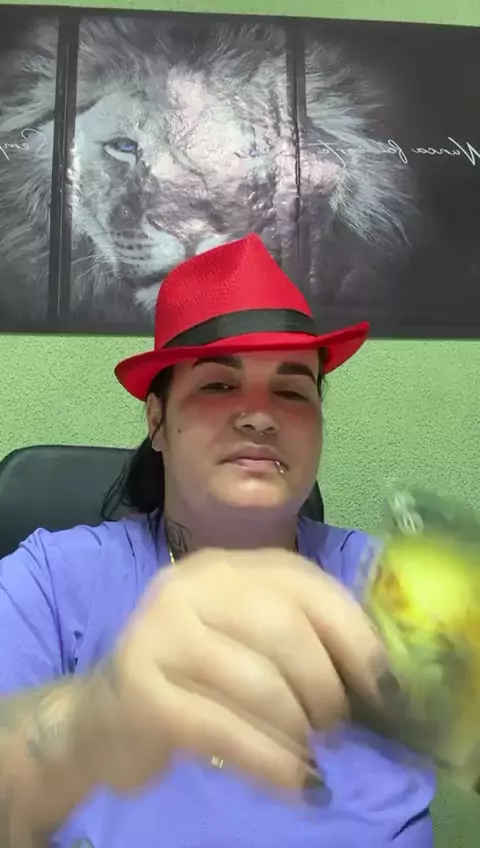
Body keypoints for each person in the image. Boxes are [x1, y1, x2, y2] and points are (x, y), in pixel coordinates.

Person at [0, 234, 435, 847]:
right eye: (218, 386)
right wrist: (98, 714)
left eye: (291, 390)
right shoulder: (48, 582)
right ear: (157, 421)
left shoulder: (393, 585)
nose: (259, 415)